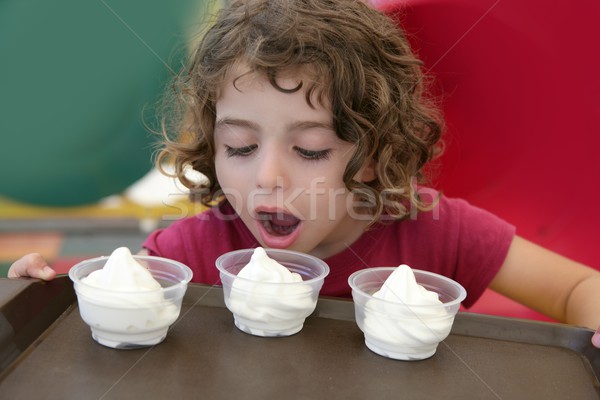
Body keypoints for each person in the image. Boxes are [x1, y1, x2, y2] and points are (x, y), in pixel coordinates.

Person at [8, 0, 600, 348]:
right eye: (239, 146)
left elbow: (578, 288)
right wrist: (41, 288)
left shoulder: (434, 229)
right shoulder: (195, 247)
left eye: (311, 150)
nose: (268, 177)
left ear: (369, 154)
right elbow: (111, 297)